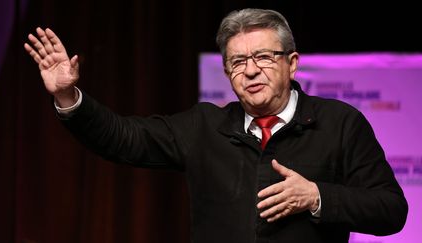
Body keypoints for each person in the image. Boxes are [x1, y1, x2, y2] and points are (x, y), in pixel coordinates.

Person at [24, 8, 407, 243]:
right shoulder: (204, 127)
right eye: (237, 62)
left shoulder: (339, 123)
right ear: (226, 72)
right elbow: (124, 138)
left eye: (263, 56)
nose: (251, 69)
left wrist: (318, 197)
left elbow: (391, 210)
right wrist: (68, 97)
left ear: (292, 63)